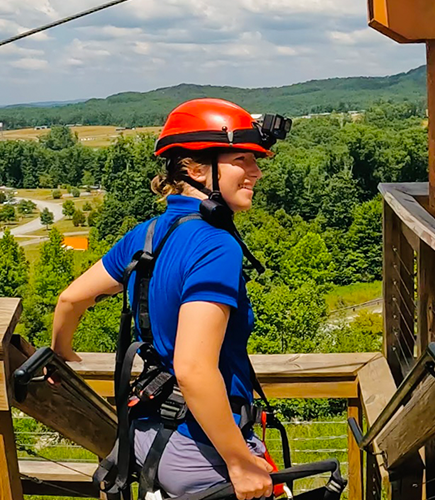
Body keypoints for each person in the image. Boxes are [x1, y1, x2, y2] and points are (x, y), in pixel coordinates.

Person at [51, 98, 288, 499]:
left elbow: (70, 300)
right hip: (203, 452)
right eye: (243, 160)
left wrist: (61, 354)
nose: (256, 172)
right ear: (196, 169)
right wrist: (238, 461)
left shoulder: (146, 235)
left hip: (146, 436)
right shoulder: (216, 245)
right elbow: (194, 368)